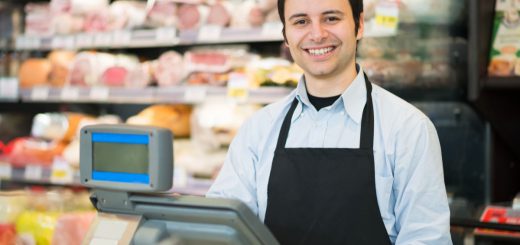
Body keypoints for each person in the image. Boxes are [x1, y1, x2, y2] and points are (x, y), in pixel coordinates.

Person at [207, 0, 452, 244]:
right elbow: (221, 229)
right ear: (286, 35)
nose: (317, 34)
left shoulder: (408, 128)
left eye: (331, 18)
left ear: (359, 25)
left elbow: (427, 239)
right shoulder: (258, 130)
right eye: (301, 21)